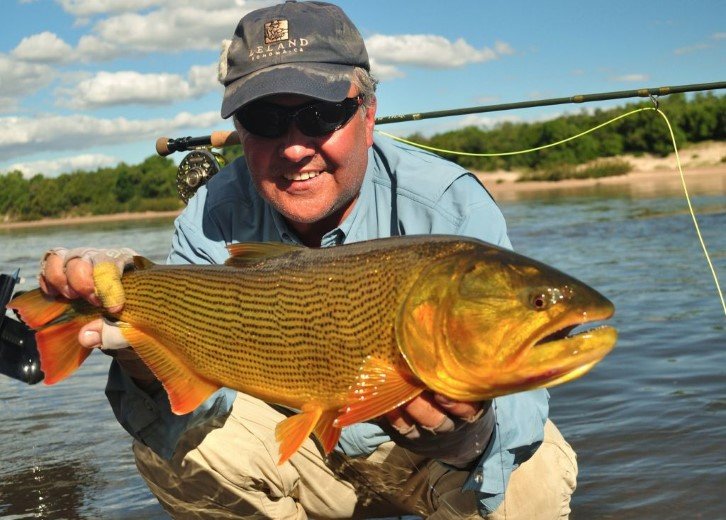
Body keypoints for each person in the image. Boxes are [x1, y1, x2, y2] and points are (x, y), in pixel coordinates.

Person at [38, 1, 577, 518]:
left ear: (368, 115)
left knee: (531, 476)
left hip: (430, 468)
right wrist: (140, 354)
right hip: (299, 458)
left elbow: (525, 403)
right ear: (241, 130)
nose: (295, 148)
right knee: (180, 454)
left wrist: (468, 436)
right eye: (266, 119)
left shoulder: (449, 208)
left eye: (321, 115)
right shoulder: (211, 215)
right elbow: (194, 405)